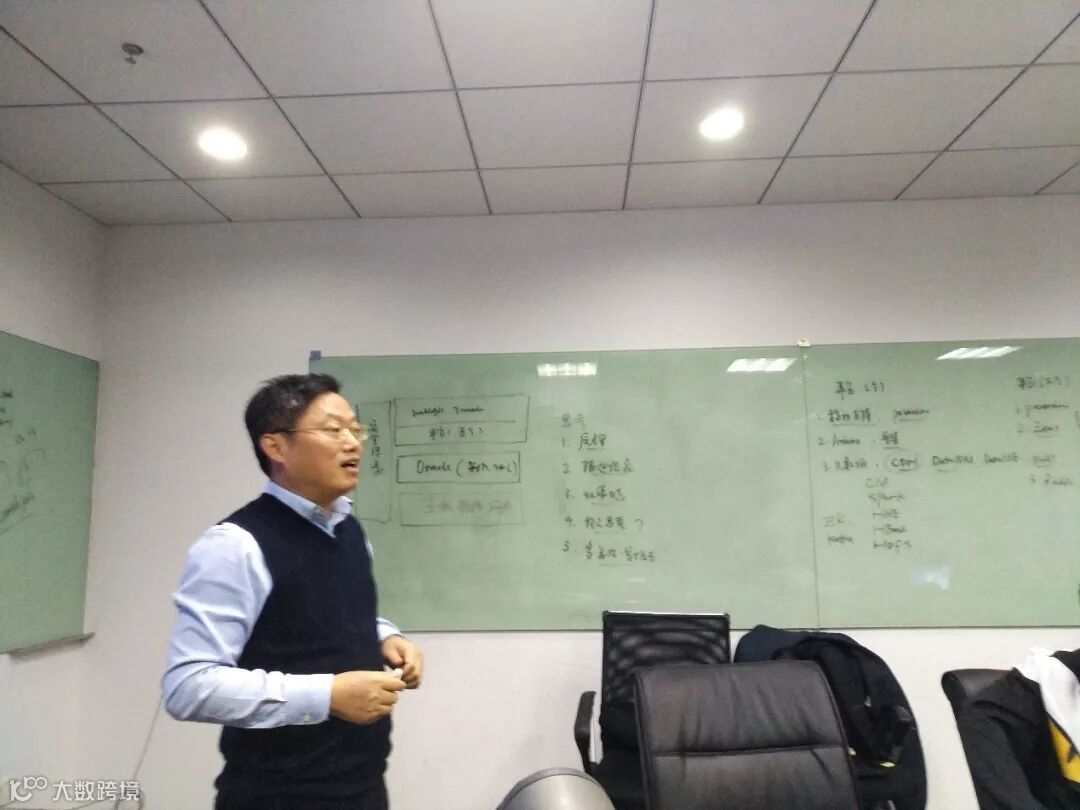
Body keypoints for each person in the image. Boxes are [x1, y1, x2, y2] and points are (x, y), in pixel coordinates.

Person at [162, 373, 423, 810]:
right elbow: (188, 686)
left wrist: (384, 636)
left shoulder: (349, 530)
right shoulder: (235, 545)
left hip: (362, 786)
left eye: (355, 429)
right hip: (277, 796)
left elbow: (319, 613)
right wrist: (327, 696)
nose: (352, 443)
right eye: (333, 430)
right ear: (276, 446)